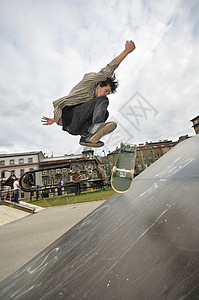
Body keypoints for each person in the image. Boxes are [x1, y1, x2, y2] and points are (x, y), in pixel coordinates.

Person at [41, 40, 136, 148]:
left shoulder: (90, 104)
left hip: (74, 128)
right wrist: (126, 51)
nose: (105, 94)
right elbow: (108, 70)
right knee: (102, 101)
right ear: (100, 84)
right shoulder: (89, 83)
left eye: (108, 93)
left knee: (105, 113)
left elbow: (80, 112)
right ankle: (96, 127)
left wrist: (53, 120)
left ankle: (87, 137)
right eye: (105, 90)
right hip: (71, 117)